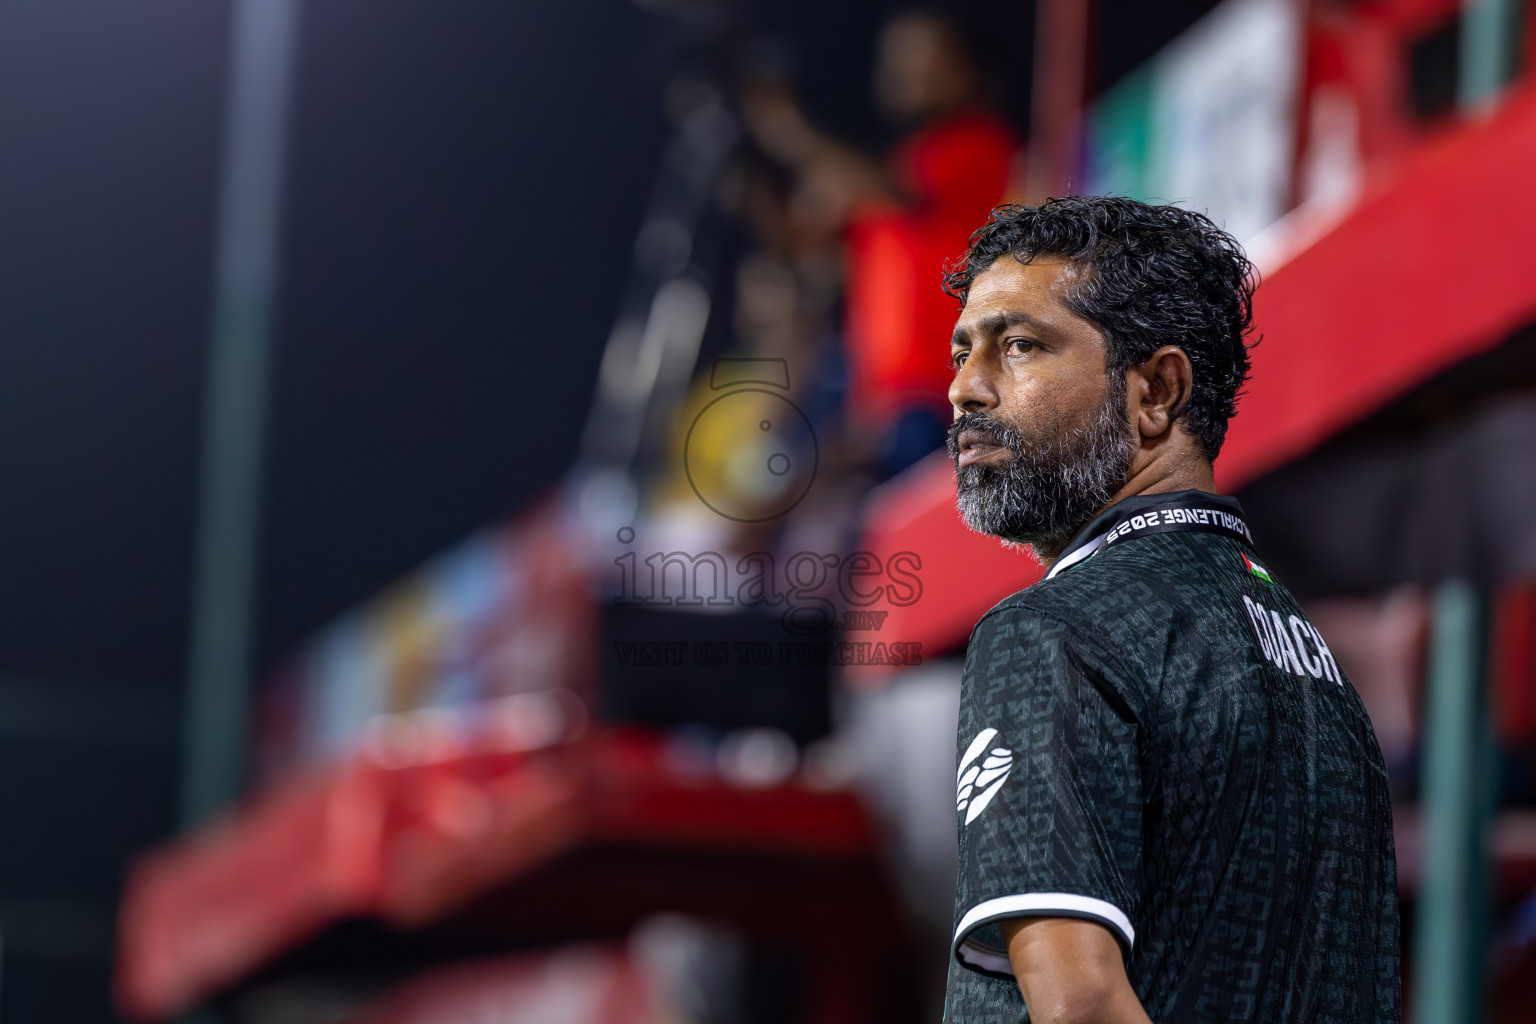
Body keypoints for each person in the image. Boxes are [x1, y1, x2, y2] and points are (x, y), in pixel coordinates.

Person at [941, 196, 1399, 1023]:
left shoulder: (1054, 631)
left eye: (1019, 346)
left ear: (1156, 390)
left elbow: (1080, 1004)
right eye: (963, 351)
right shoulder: (1323, 678)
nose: (965, 388)